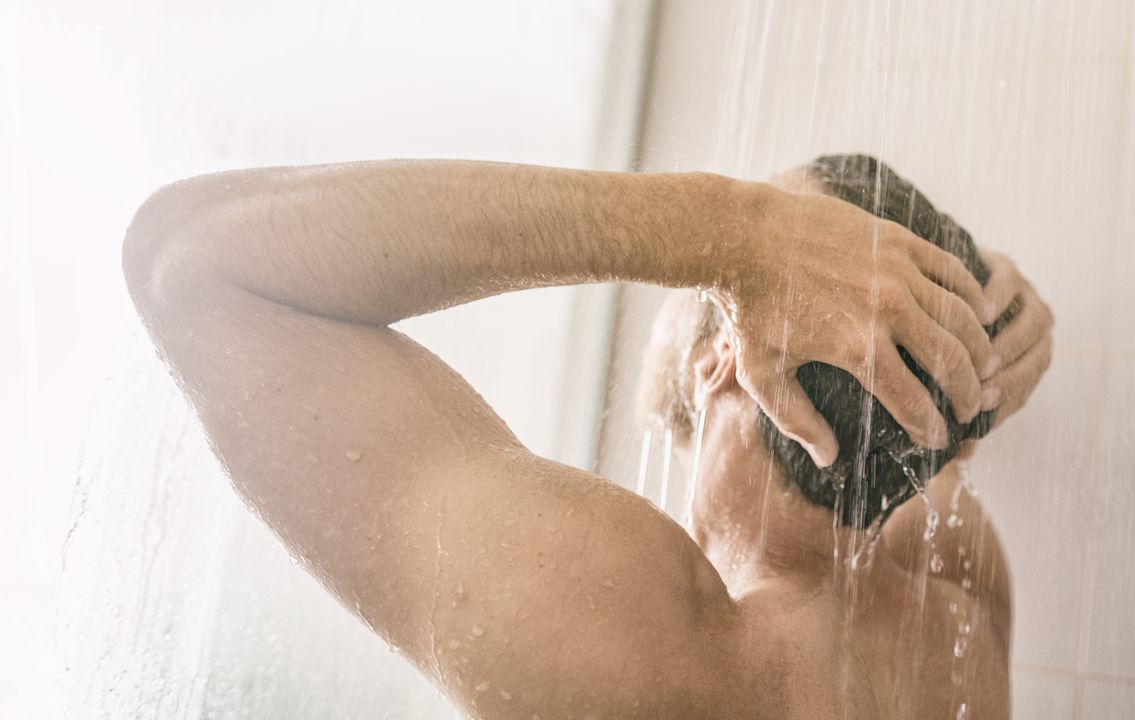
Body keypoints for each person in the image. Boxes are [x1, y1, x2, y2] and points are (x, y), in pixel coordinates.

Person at [123, 154, 1053, 719]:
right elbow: (920, 434)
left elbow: (187, 258)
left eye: (746, 275)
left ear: (728, 355)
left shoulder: (639, 643)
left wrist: (728, 230)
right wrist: (970, 333)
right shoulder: (955, 610)